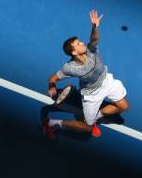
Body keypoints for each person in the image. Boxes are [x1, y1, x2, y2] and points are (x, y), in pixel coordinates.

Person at [43, 10, 130, 138]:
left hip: (107, 82)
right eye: (78, 44)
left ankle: (96, 117)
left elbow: (94, 39)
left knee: (124, 106)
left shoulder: (91, 50)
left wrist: (95, 27)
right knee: (86, 128)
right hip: (91, 95)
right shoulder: (70, 67)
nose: (82, 43)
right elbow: (54, 77)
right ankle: (52, 123)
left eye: (80, 41)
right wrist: (51, 86)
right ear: (74, 52)